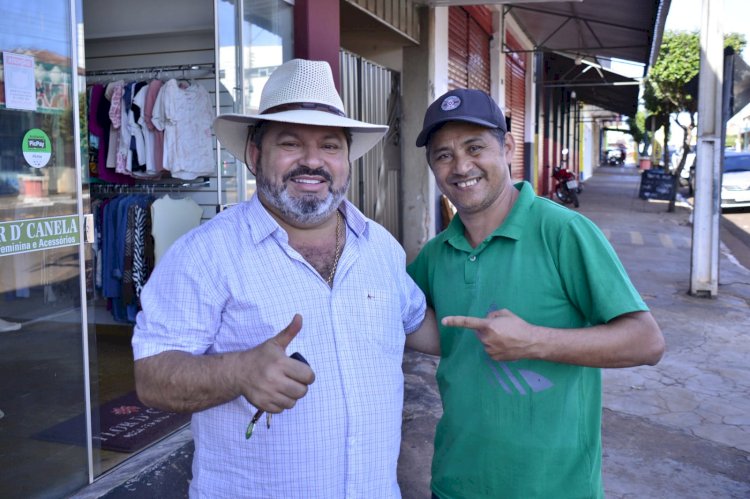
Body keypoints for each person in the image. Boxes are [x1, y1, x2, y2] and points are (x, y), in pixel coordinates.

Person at [132, 59, 438, 498]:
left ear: (346, 159)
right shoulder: (205, 254)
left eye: (330, 146)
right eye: (291, 144)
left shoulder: (380, 248)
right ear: (255, 155)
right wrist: (238, 372)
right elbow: (152, 378)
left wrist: (518, 328)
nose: (312, 161)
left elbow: (419, 326)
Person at [407, 88, 665, 499]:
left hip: (553, 487)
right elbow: (429, 330)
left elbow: (646, 341)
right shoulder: (436, 254)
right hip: (455, 484)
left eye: (475, 148)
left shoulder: (563, 232)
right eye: (443, 155)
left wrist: (534, 341)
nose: (461, 166)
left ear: (507, 147)